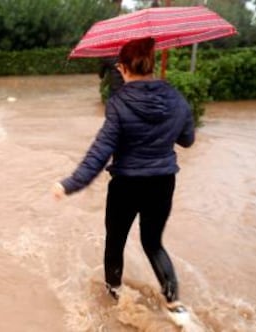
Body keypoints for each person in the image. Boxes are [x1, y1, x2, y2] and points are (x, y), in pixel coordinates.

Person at [53, 37, 195, 326]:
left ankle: (115, 298)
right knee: (153, 243)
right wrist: (166, 126)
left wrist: (70, 183)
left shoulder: (119, 103)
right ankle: (174, 303)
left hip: (127, 185)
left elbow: (100, 152)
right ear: (152, 65)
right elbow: (187, 139)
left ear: (122, 68)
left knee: (115, 242)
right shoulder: (176, 98)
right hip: (163, 182)